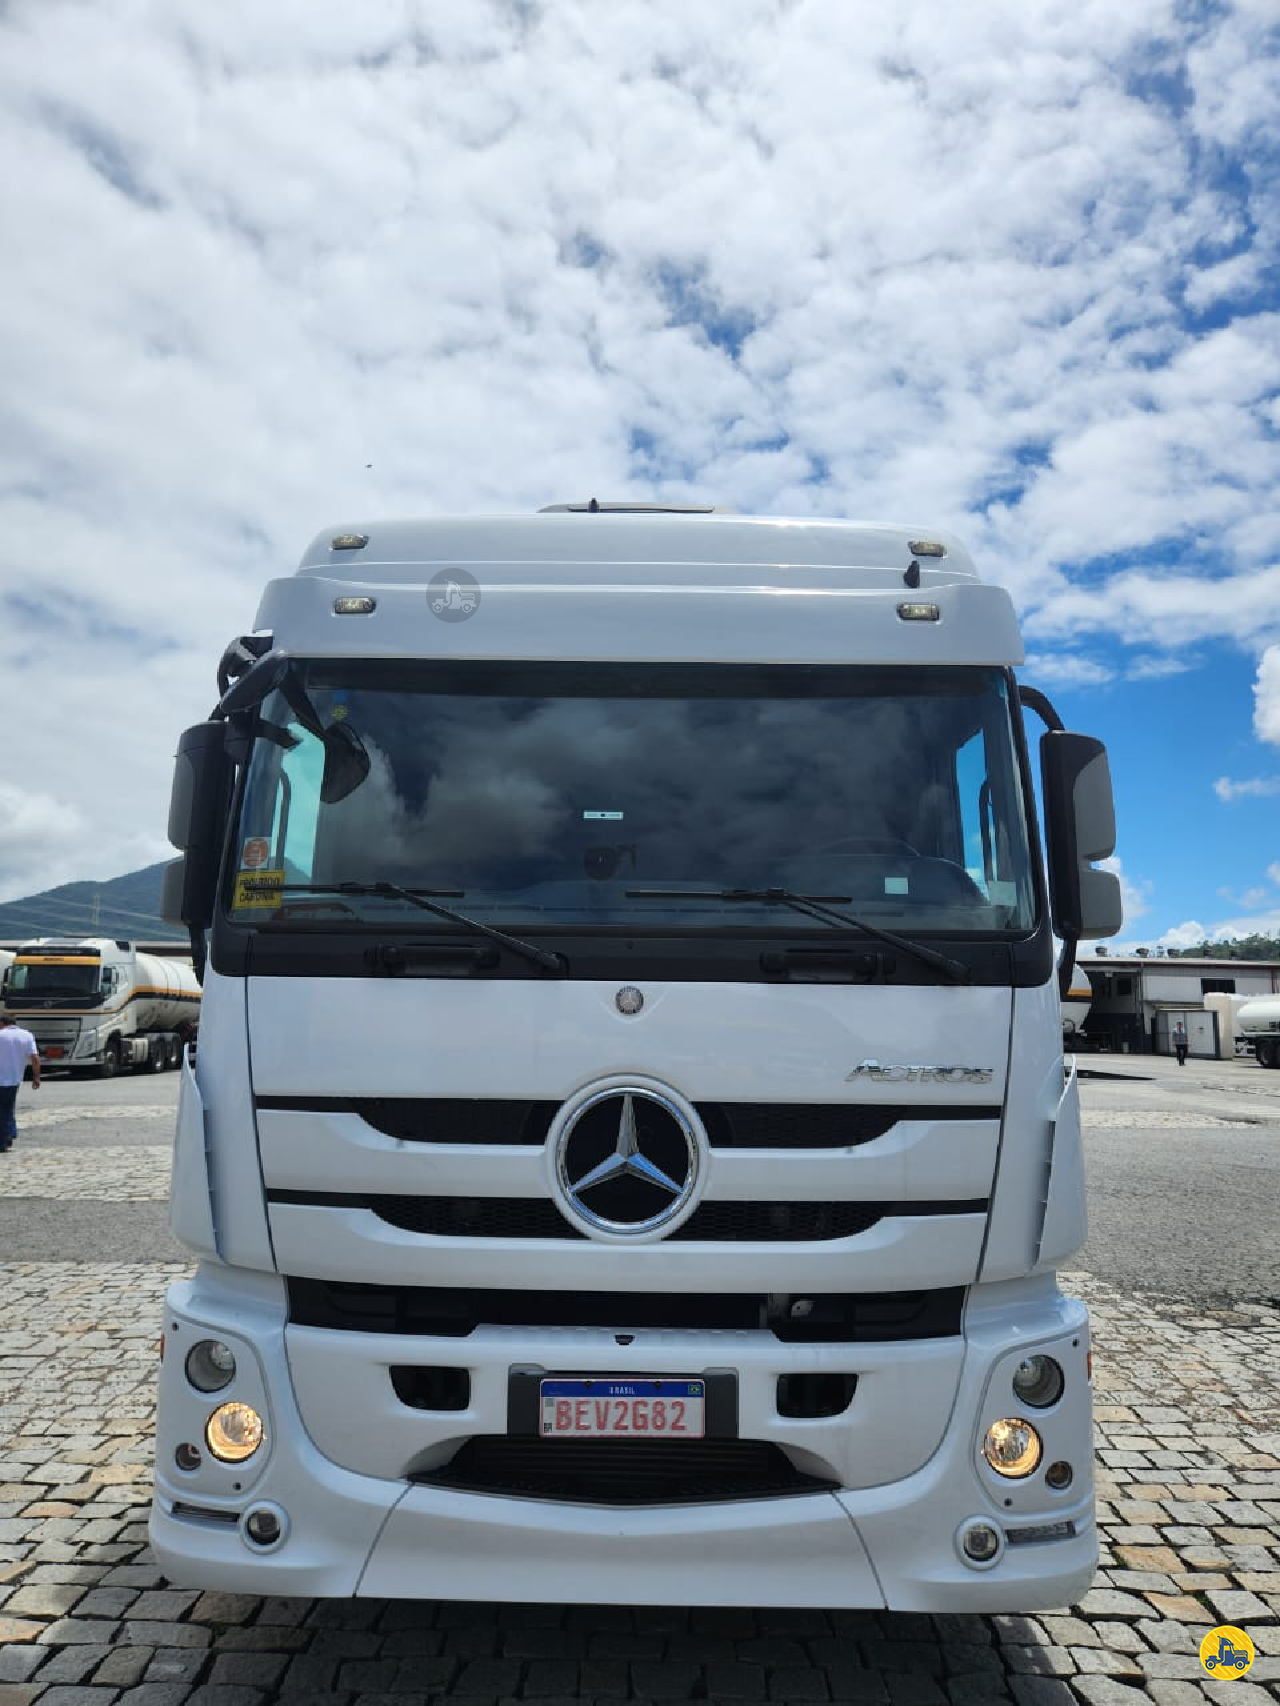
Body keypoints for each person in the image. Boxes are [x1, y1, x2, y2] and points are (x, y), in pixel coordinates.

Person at [0, 1014, 40, 1150]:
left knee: (3, 1109)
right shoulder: (27, 1035)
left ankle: (4, 1139)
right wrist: (36, 1077)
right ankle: (10, 1134)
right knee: (8, 1106)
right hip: (15, 1078)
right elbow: (34, 1057)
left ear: (2, 1023)